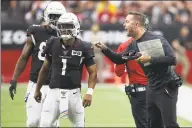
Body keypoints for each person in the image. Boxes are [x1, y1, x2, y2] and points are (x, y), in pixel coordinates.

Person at [94, 11, 182, 128]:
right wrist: (105, 49)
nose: (124, 25)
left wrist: (150, 59)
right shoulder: (134, 43)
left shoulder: (156, 38)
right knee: (154, 125)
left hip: (165, 86)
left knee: (170, 124)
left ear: (136, 25)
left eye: (127, 22)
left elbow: (172, 59)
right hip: (151, 87)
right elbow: (120, 59)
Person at [34, 12, 97, 127]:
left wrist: (89, 92)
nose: (65, 29)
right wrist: (37, 89)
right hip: (53, 93)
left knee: (79, 125)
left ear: (76, 27)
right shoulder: (52, 42)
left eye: (68, 26)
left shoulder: (85, 46)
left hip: (74, 94)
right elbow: (45, 68)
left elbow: (93, 72)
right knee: (44, 124)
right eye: (62, 26)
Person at [9, 1, 66, 127]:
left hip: (55, 85)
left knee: (49, 123)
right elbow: (24, 57)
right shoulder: (35, 31)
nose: (56, 20)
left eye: (59, 16)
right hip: (35, 82)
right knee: (33, 122)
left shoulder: (66, 35)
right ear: (46, 15)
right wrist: (14, 79)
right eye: (53, 16)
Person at [114, 37, 148, 128]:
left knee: (143, 124)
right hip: (157, 89)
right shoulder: (157, 40)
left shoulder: (125, 46)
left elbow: (119, 72)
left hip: (139, 91)